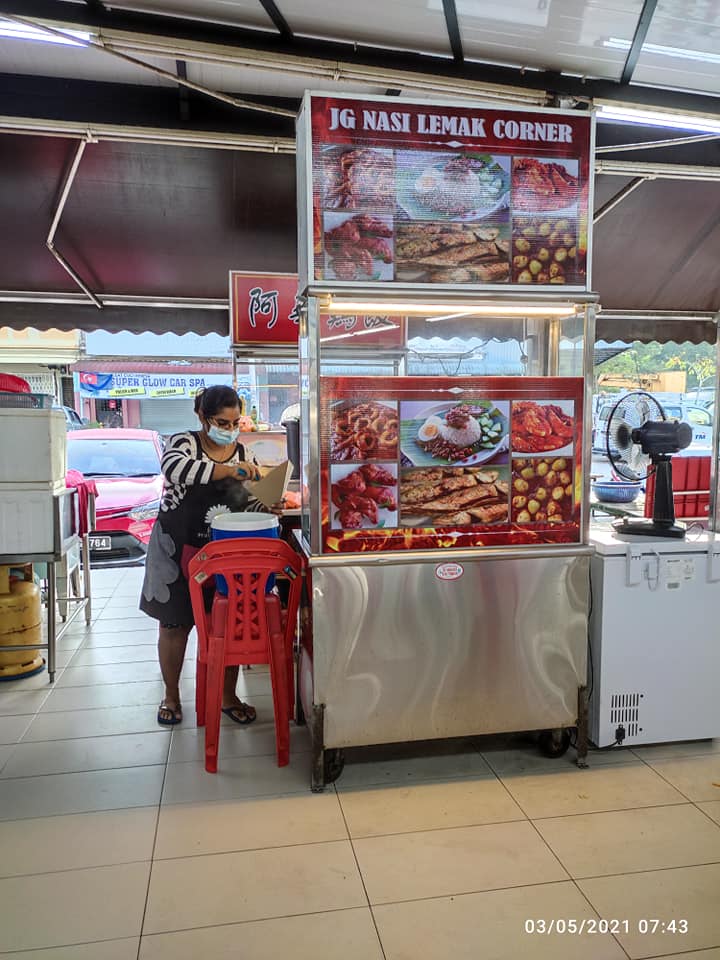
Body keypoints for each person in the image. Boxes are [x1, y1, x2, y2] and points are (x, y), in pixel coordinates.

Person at [140, 385, 269, 726]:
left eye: (234, 422)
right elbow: (174, 470)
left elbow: (250, 500)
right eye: (222, 422)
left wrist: (269, 501)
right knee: (174, 624)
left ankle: (227, 695)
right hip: (177, 548)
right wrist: (225, 470)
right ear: (201, 416)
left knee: (227, 626)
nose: (229, 430)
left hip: (225, 553)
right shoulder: (184, 443)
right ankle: (171, 695)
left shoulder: (243, 453)